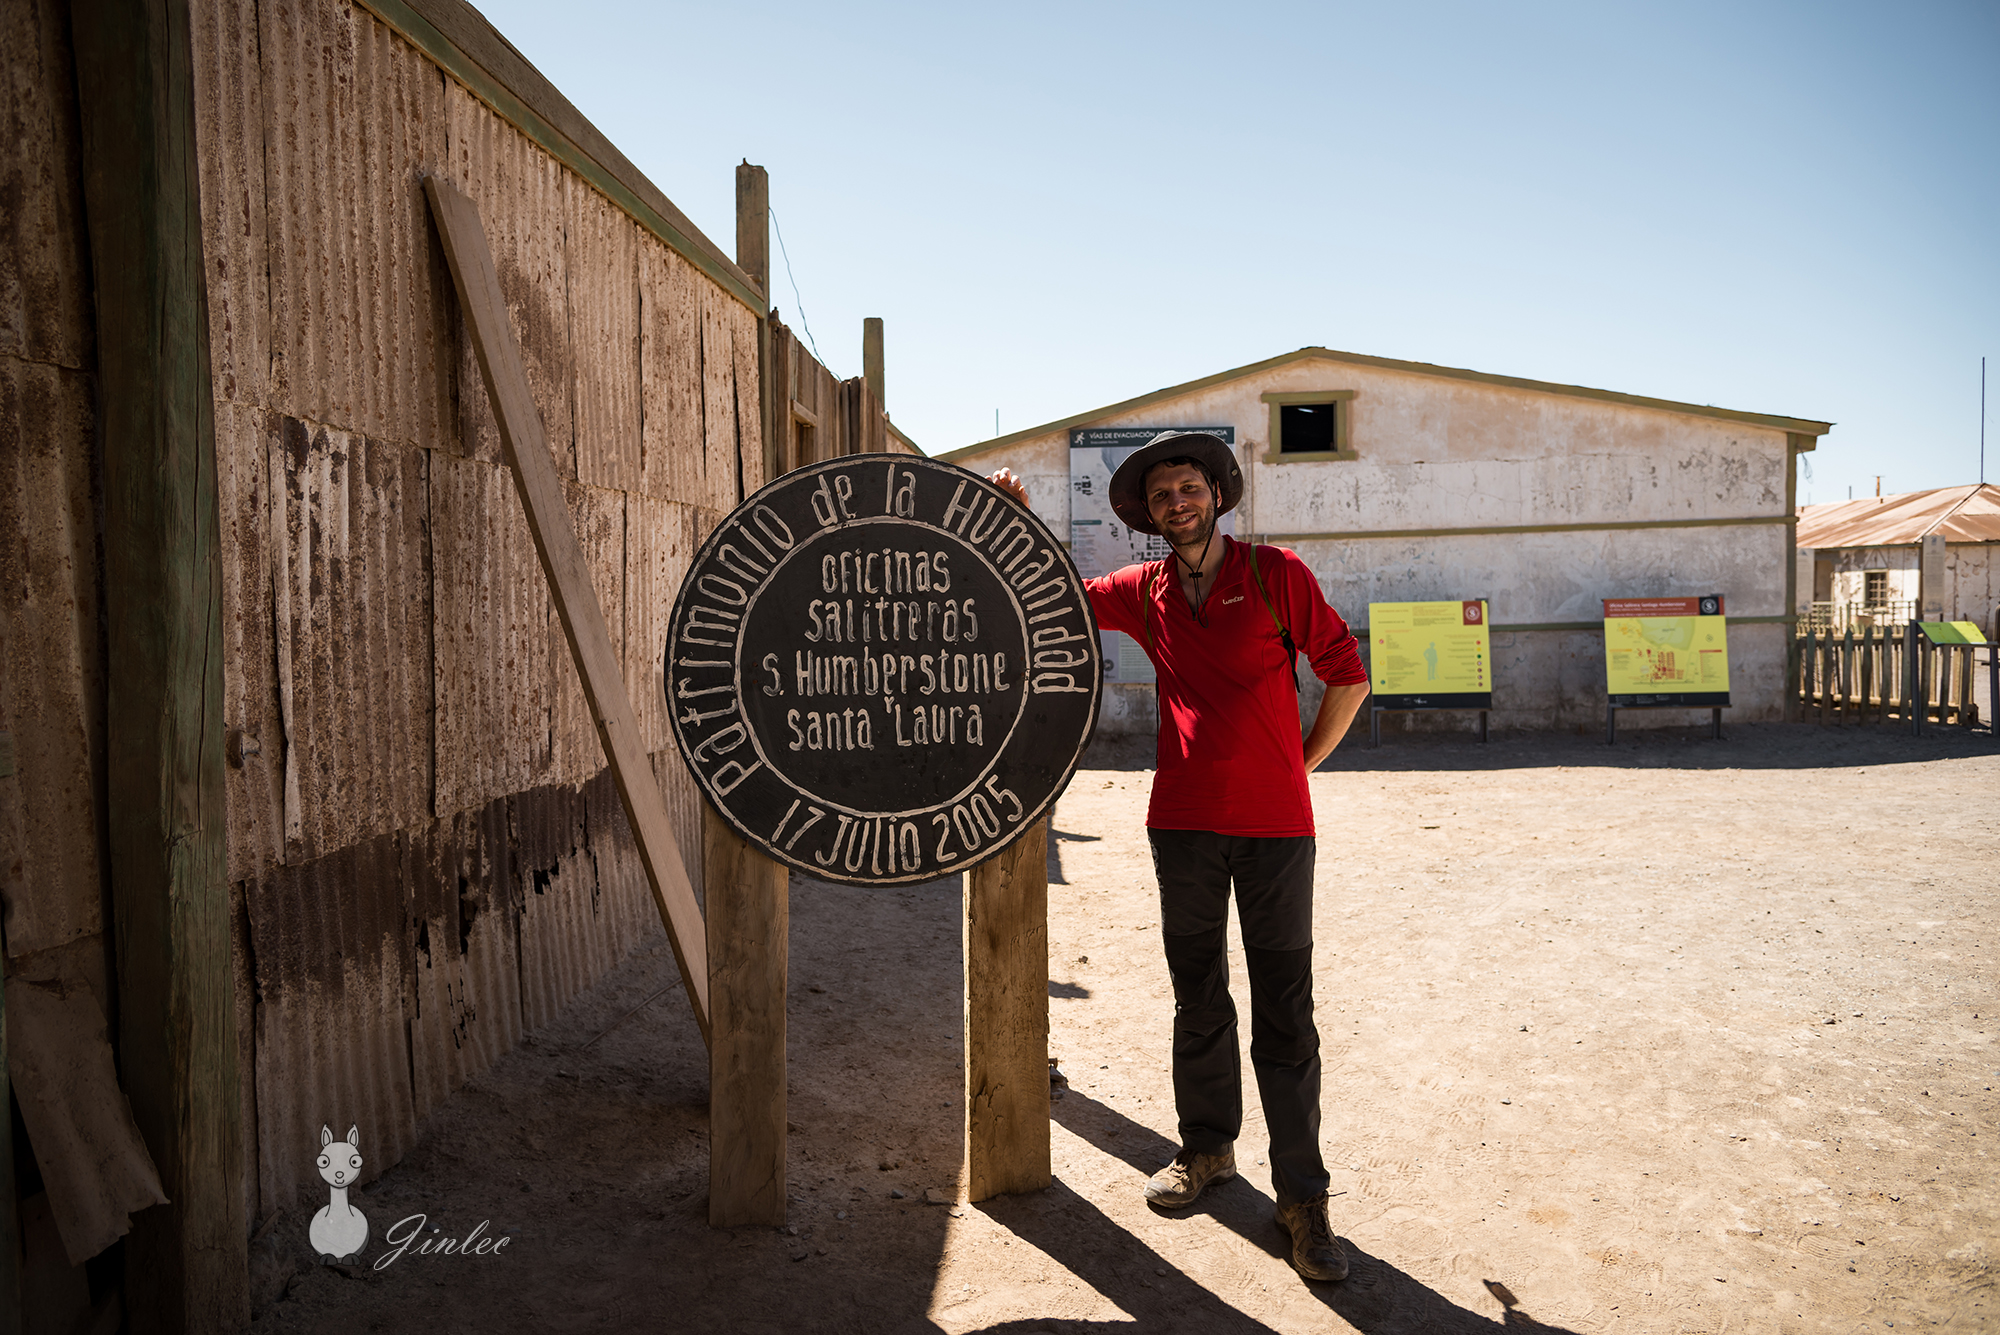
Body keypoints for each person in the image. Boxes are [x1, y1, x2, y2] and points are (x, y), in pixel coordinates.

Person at [989, 430, 1370, 1284]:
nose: (1176, 502)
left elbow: (1348, 674)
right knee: (1198, 997)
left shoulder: (1277, 578)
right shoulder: (1147, 589)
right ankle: (1207, 1152)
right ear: (1149, 515)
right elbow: (1056, 593)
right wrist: (1016, 515)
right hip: (1183, 828)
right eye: (1161, 495)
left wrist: (1299, 763)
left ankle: (1303, 1198)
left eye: (1188, 487)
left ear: (1216, 493)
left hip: (1278, 834)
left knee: (1285, 1012)